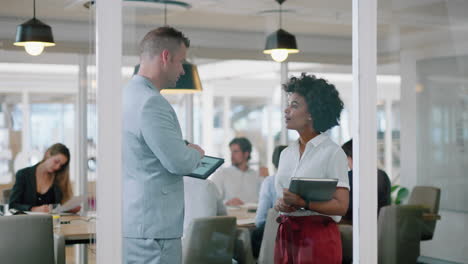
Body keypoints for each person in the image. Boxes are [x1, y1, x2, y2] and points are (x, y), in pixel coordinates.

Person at [122, 27, 205, 264]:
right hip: (155, 229)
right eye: (181, 62)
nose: (181, 70)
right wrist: (194, 152)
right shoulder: (152, 103)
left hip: (135, 222)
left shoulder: (127, 95)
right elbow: (179, 162)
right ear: (166, 57)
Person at [274, 73, 349, 264]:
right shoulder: (286, 154)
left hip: (317, 237)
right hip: (287, 234)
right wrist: (281, 204)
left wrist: (302, 202)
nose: (286, 110)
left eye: (294, 105)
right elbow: (282, 197)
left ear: (311, 113)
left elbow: (341, 206)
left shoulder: (332, 152)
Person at [9, 143, 77, 213]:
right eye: (56, 161)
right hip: (28, 221)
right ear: (48, 154)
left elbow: (59, 207)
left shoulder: (58, 178)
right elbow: (13, 205)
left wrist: (69, 209)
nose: (57, 167)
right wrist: (33, 209)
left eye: (61, 165)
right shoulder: (24, 174)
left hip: (52, 222)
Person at [340, 139, 391, 224]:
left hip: (355, 225)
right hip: (380, 225)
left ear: (349, 157)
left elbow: (346, 209)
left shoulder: (350, 176)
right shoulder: (382, 175)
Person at [251, 145, 287, 258]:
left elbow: (260, 220)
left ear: (273, 162)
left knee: (252, 235)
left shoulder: (270, 181)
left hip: (276, 237)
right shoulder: (301, 180)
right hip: (298, 237)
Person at [209, 137, 263, 206]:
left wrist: (264, 178)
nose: (232, 155)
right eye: (231, 152)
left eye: (236, 152)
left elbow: (264, 200)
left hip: (253, 214)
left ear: (246, 154)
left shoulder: (257, 176)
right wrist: (227, 202)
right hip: (231, 214)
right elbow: (212, 200)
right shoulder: (221, 174)